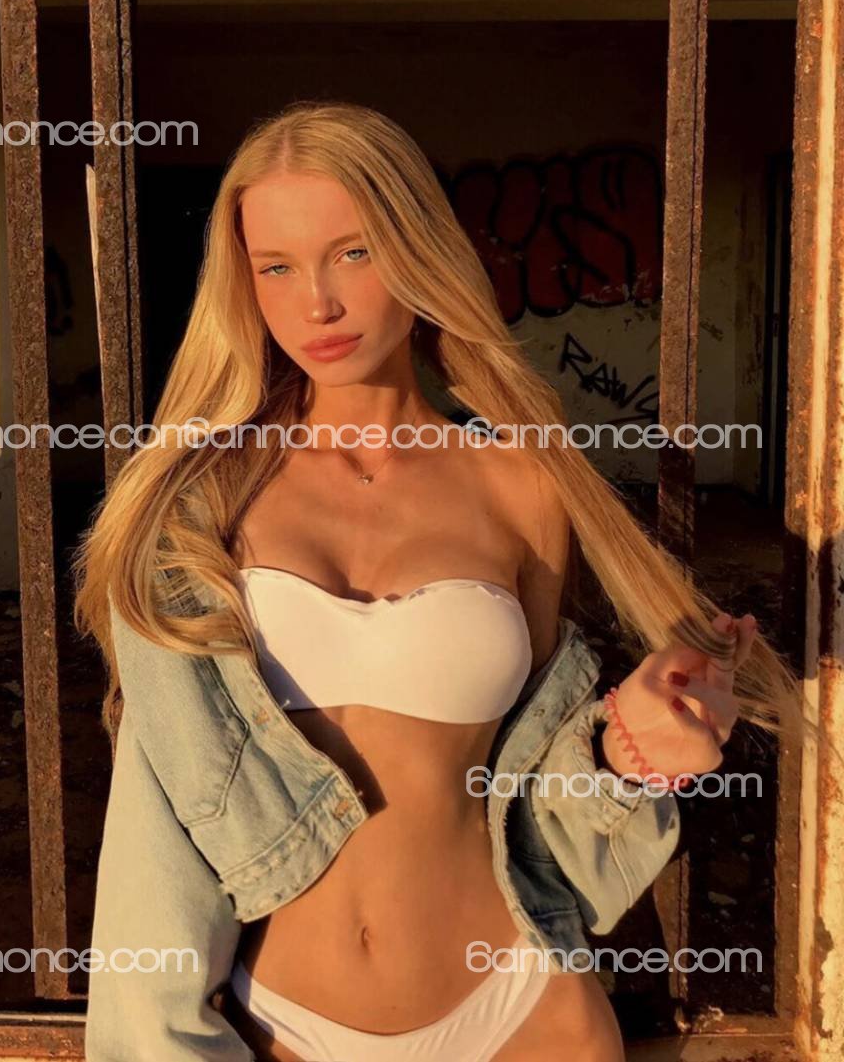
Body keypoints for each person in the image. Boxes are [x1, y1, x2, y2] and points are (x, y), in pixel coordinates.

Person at [75, 101, 796, 1061]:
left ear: (418, 249)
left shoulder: (525, 484)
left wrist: (631, 749)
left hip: (523, 1013)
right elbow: (153, 840)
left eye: (354, 253)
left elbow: (526, 799)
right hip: (284, 1025)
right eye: (276, 266)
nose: (317, 304)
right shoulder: (196, 503)